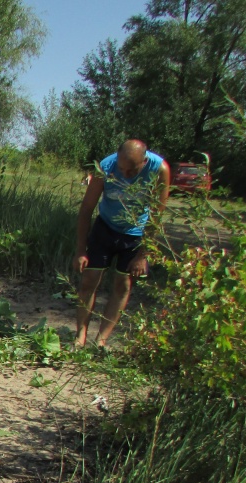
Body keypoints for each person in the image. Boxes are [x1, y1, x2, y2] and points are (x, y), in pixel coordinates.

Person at [74, 139, 170, 346]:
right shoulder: (105, 168)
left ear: (144, 162)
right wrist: (81, 249)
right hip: (105, 227)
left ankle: (101, 340)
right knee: (89, 280)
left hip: (135, 232)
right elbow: (86, 209)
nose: (125, 175)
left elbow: (157, 215)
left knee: (123, 284)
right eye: (122, 169)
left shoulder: (159, 169)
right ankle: (80, 336)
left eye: (131, 171)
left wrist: (142, 255)